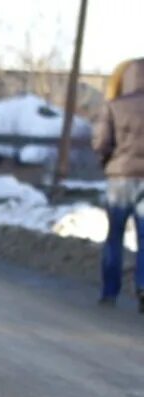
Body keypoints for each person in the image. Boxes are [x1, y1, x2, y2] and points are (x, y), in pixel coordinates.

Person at [93, 57, 144, 312]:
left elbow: (101, 142)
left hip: (120, 179)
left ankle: (109, 293)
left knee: (115, 236)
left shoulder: (114, 106)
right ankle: (143, 288)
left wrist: (108, 165)